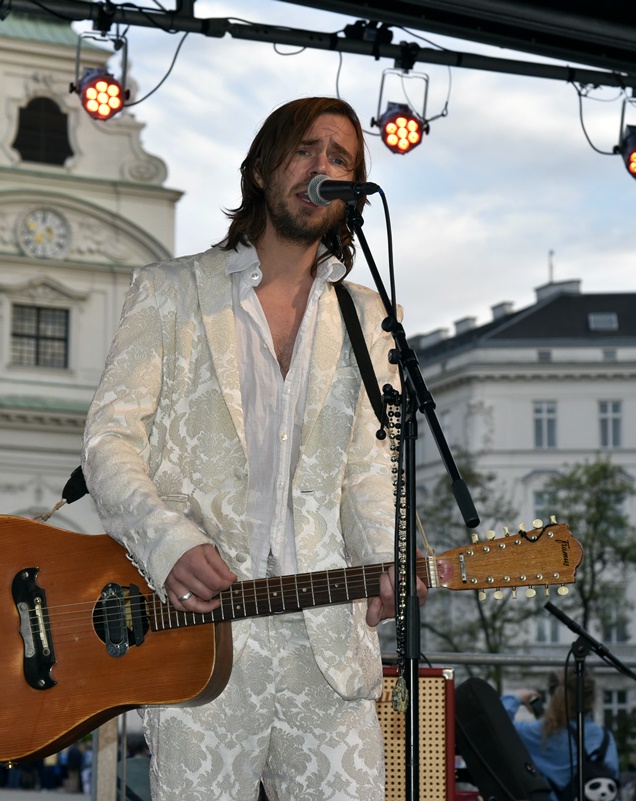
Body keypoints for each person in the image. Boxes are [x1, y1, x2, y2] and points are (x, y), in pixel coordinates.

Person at [82, 95, 426, 801]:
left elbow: (369, 470)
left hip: (326, 637)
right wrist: (167, 541)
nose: (323, 165)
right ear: (263, 169)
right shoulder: (170, 292)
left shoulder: (369, 316)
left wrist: (391, 554)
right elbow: (109, 442)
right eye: (306, 149)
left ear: (353, 188)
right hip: (201, 633)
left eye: (341, 158)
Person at [501, 668, 620, 801]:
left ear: (553, 695)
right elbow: (613, 777)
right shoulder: (605, 737)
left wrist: (516, 697)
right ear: (591, 698)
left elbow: (495, 724)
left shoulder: (538, 733)